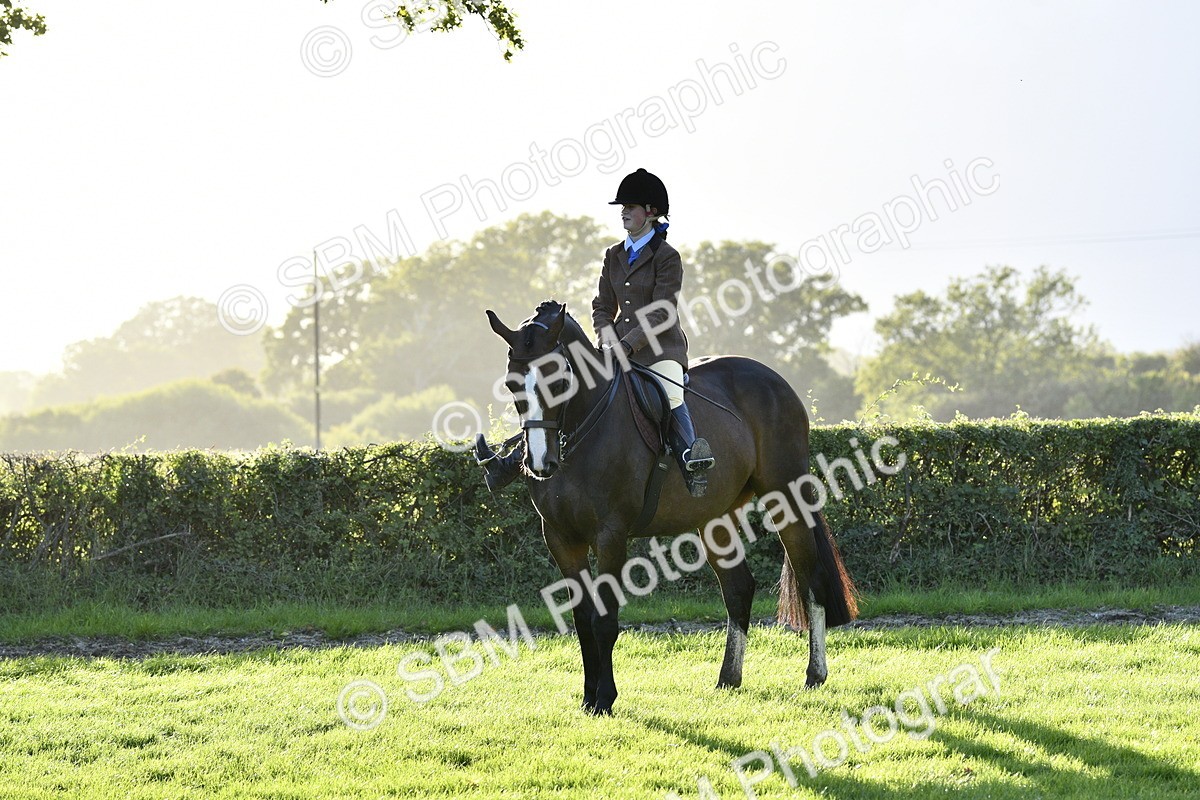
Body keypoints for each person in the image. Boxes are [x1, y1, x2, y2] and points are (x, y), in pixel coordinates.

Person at [475, 168, 716, 496]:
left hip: (660, 351)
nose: (624, 211)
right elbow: (602, 306)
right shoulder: (613, 255)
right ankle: (508, 462)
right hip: (614, 349)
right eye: (623, 207)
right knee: (562, 396)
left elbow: (662, 311)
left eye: (631, 206)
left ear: (652, 212)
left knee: (671, 394)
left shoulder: (667, 257)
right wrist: (606, 339)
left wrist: (628, 347)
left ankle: (692, 461)